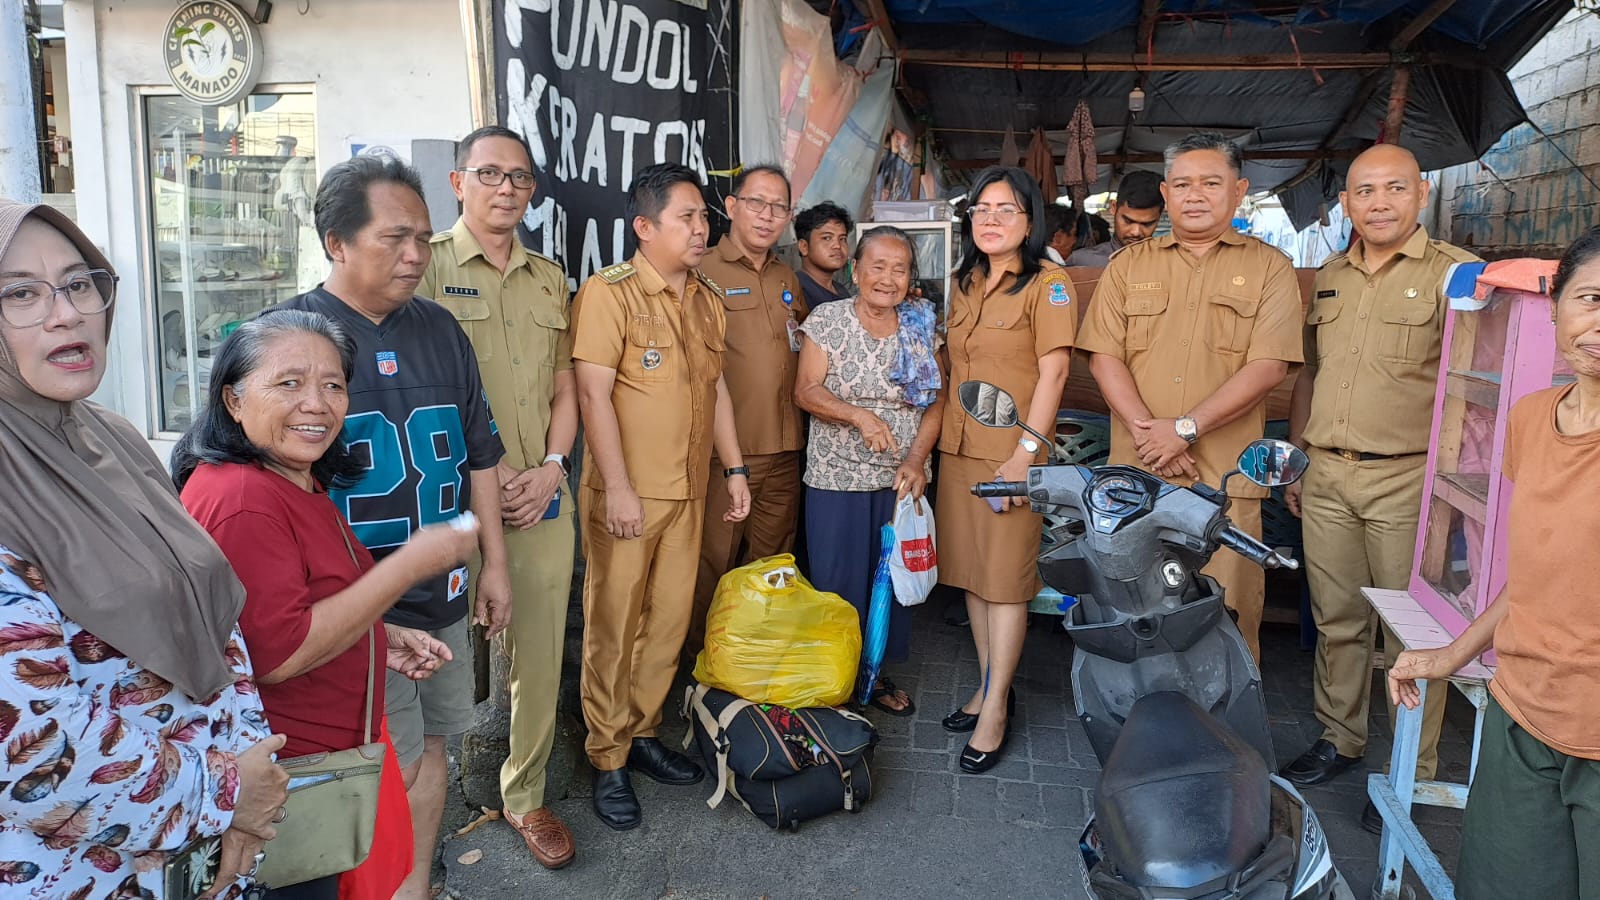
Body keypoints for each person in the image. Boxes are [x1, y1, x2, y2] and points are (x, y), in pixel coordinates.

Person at [0, 199, 289, 898]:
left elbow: (214, 624)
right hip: (77, 877)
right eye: (19, 293)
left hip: (204, 855)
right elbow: (29, 757)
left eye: (78, 283)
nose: (65, 313)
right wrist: (227, 794)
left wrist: (251, 788)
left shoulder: (114, 438)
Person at [173, 310, 474, 899]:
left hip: (321, 762)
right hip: (289, 780)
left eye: (333, 384)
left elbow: (300, 602)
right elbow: (278, 655)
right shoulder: (243, 499)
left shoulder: (289, 476)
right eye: (288, 383)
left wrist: (378, 636)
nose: (317, 403)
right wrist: (407, 568)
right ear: (233, 401)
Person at [274, 156, 509, 900]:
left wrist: (493, 566)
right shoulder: (286, 342)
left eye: (424, 240)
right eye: (394, 239)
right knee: (377, 764)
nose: (415, 256)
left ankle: (413, 887)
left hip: (438, 596)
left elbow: (479, 457)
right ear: (336, 242)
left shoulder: (440, 329)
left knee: (433, 747)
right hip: (347, 612)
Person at [1387, 226, 1600, 900]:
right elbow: (1533, 574)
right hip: (1522, 718)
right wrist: (1455, 653)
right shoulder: (1534, 419)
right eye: (1593, 298)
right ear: (1558, 305)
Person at [1279, 145, 1476, 831]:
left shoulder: (1456, 277)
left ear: (1421, 193)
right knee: (1337, 620)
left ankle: (1410, 774)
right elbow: (1308, 375)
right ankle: (1341, 737)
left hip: (1409, 478)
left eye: (1395, 188)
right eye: (1365, 191)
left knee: (1411, 634)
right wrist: (1300, 457)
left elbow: (1473, 388)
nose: (1380, 203)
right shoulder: (1330, 275)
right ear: (1347, 203)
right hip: (1328, 472)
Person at [417, 126, 579, 869]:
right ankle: (423, 798)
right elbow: (417, 385)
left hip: (540, 493)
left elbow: (563, 384)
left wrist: (551, 464)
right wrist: (495, 471)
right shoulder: (425, 268)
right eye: (490, 173)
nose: (506, 188)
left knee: (539, 651)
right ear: (458, 183)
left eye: (519, 177)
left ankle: (524, 793)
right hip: (451, 498)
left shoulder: (550, 277)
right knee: (442, 648)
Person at [572, 163, 750, 830]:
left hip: (688, 492)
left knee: (669, 621)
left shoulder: (706, 297)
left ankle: (643, 733)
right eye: (688, 217)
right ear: (644, 227)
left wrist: (734, 470)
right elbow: (592, 394)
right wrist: (616, 487)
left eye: (705, 216)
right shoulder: (608, 294)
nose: (702, 228)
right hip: (629, 494)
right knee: (613, 626)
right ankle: (607, 755)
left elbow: (717, 390)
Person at [1077, 133, 1302, 661]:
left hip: (1223, 485)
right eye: (1182, 184)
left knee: (1224, 621)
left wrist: (1183, 430)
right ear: (1165, 192)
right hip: (1136, 479)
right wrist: (1145, 432)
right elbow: (1103, 355)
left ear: (1240, 190)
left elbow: (1268, 366)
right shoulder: (1129, 266)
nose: (1194, 195)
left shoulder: (1271, 268)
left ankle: (1225, 738)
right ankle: (1137, 733)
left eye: (1210, 183)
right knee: (1134, 616)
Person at [937, 167, 1076, 773]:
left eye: (1006, 209)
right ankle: (991, 683)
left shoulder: (1048, 285)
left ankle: (995, 708)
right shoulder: (963, 281)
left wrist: (1025, 455)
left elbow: (1055, 373)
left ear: (1028, 221)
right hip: (957, 449)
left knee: (1006, 581)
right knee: (972, 576)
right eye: (982, 208)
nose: (991, 219)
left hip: (1009, 456)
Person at [794, 226, 945, 717]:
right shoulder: (828, 320)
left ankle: (875, 675)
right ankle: (835, 680)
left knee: (891, 581)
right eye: (877, 266)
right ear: (856, 270)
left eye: (899, 268)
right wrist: (860, 416)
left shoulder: (922, 325)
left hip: (900, 478)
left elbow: (937, 401)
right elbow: (807, 391)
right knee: (839, 580)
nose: (887, 277)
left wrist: (916, 459)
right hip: (836, 476)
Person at [690, 164, 807, 653]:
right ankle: (698, 666)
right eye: (756, 203)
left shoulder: (787, 277)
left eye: (779, 207)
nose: (767, 216)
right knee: (711, 563)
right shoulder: (702, 271)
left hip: (785, 451)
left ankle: (754, 660)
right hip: (727, 456)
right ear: (732, 206)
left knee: (773, 565)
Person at [1067, 170, 1164, 267]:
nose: (1136, 232)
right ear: (1113, 207)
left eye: (1147, 224)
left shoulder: (1169, 263)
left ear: (1159, 216)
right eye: (1128, 221)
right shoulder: (1082, 261)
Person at [796, 200, 854, 307]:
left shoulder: (841, 291)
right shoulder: (796, 290)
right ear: (804, 247)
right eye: (827, 238)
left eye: (842, 239)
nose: (837, 245)